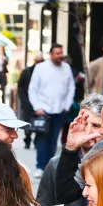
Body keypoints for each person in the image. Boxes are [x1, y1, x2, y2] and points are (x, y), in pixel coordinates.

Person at [28, 43, 76, 175]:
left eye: (61, 53)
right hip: (44, 111)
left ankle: (50, 168)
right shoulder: (40, 68)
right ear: (51, 54)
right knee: (43, 139)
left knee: (54, 140)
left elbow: (71, 88)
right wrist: (37, 107)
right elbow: (32, 89)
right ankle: (40, 166)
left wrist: (67, 106)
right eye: (57, 53)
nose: (60, 56)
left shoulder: (66, 68)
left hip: (60, 110)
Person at [17, 52, 44, 149]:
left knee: (39, 123)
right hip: (27, 102)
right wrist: (24, 99)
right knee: (27, 121)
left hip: (40, 102)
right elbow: (20, 86)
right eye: (37, 60)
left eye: (41, 61)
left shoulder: (44, 73)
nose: (39, 63)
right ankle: (27, 139)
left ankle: (37, 141)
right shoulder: (27, 72)